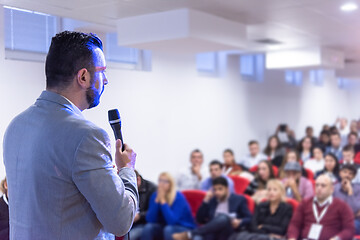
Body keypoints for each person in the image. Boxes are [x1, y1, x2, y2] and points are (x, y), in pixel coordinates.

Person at [2, 31, 138, 239]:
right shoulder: (88, 136)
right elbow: (121, 221)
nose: (106, 80)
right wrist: (126, 170)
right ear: (83, 77)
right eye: (102, 71)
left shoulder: (16, 126)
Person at [172, 176, 252, 240]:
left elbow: (249, 218)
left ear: (227, 189)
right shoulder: (213, 200)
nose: (217, 192)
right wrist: (205, 200)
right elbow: (199, 219)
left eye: (220, 189)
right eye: (215, 190)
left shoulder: (239, 199)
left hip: (227, 232)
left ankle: (190, 234)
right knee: (197, 238)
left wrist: (240, 221)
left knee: (223, 217)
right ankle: (193, 234)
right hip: (211, 233)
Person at [287, 174, 355, 240]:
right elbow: (294, 225)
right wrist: (292, 237)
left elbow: (349, 229)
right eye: (317, 185)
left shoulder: (342, 206)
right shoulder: (305, 203)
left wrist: (336, 238)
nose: (319, 188)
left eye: (323, 186)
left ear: (331, 189)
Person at [142, 172, 196, 240]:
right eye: (160, 180)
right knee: (148, 227)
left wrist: (163, 201)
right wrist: (156, 201)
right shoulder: (155, 196)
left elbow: (172, 221)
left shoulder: (178, 197)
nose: (161, 184)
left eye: (165, 181)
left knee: (168, 229)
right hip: (165, 226)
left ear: (170, 184)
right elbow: (150, 220)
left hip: (184, 227)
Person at [128, 171, 157, 240]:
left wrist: (139, 216)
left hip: (144, 223)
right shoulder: (128, 189)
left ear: (138, 180)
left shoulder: (152, 189)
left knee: (131, 236)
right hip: (130, 223)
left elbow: (155, 212)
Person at [333, 165, 360, 234]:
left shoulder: (358, 189)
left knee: (352, 226)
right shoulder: (333, 188)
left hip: (353, 220)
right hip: (336, 219)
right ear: (340, 173)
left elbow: (355, 209)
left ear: (353, 177)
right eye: (345, 172)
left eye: (350, 173)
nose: (347, 175)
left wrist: (350, 191)